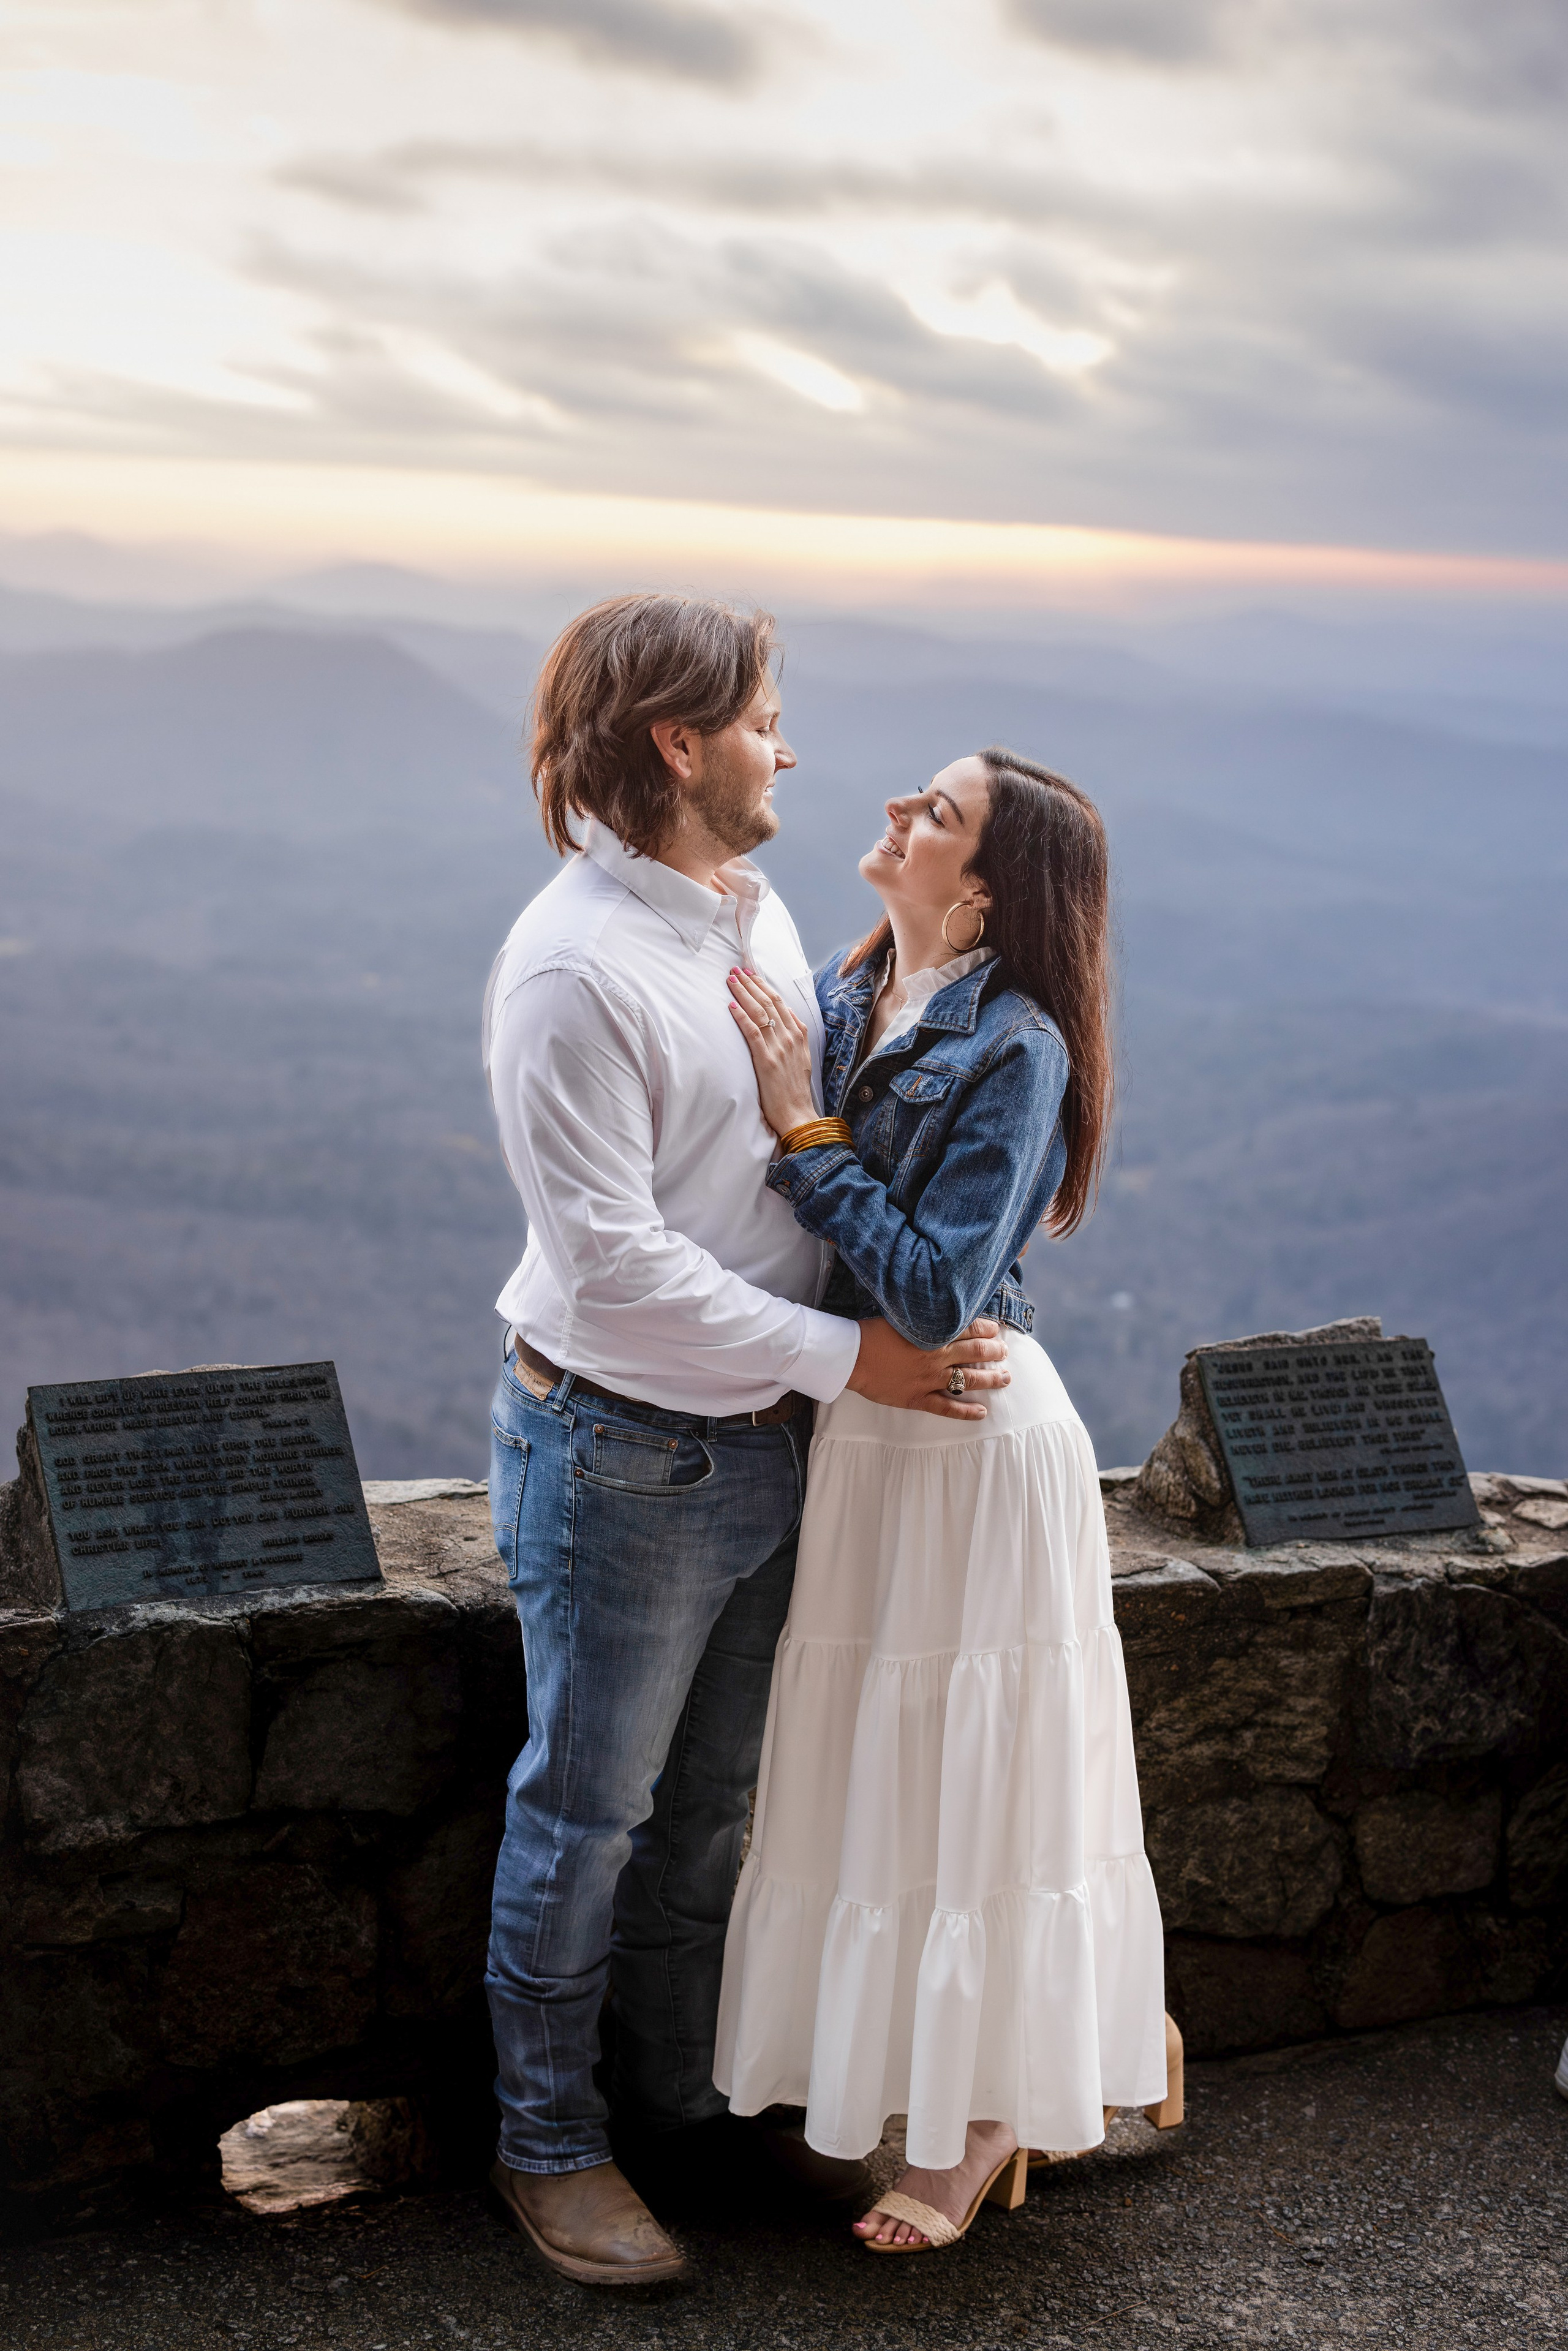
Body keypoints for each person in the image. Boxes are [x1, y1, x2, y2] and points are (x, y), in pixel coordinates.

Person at [480, 593, 1012, 2288]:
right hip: (624, 1454)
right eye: (769, 717)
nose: (792, 746)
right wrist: (854, 1355)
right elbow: (614, 1258)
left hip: (772, 1438)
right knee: (589, 1809)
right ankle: (550, 2141)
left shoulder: (757, 913)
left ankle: (686, 2105)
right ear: (679, 742)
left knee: (714, 1811)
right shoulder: (574, 968)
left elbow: (819, 1129)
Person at [714, 745, 1172, 2251]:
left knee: (985, 1776)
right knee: (875, 1771)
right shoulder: (852, 988)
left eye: (938, 813)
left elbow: (926, 1289)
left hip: (972, 1436)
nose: (898, 813)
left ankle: (986, 2120)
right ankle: (1043, 2053)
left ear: (982, 886)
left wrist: (804, 1128)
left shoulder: (1014, 1045)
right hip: (870, 1438)